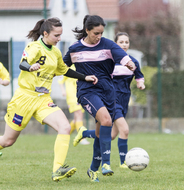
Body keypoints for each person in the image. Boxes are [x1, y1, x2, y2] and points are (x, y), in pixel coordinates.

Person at [0, 17, 98, 182]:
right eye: (56, 35)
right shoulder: (34, 47)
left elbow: (64, 70)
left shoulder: (56, 52)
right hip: (24, 98)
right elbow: (22, 63)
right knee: (8, 140)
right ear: (45, 33)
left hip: (43, 99)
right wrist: (30, 67)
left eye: (61, 35)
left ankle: (57, 170)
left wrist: (85, 77)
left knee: (65, 127)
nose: (59, 38)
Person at [63, 15, 136, 182]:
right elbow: (62, 68)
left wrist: (128, 63)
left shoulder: (108, 44)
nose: (99, 36)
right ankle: (106, 164)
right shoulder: (75, 49)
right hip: (87, 92)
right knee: (106, 121)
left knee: (99, 133)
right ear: (87, 31)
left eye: (101, 33)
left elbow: (122, 55)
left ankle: (93, 169)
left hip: (108, 92)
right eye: (96, 33)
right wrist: (82, 76)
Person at [72, 32, 145, 169]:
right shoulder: (109, 62)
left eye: (126, 42)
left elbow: (139, 75)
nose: (124, 45)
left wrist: (140, 83)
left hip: (124, 101)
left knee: (111, 136)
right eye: (121, 42)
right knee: (125, 129)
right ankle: (124, 162)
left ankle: (84, 133)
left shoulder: (133, 61)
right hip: (111, 100)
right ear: (115, 44)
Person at [58, 65, 90, 145]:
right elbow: (61, 79)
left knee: (76, 119)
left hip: (80, 94)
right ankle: (82, 138)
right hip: (72, 95)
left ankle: (64, 135)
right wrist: (63, 91)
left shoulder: (80, 64)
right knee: (79, 114)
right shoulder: (68, 65)